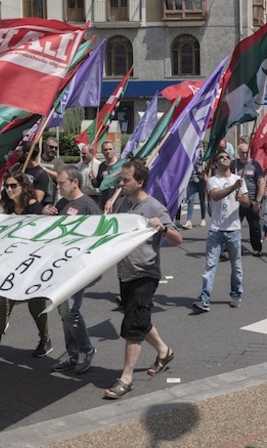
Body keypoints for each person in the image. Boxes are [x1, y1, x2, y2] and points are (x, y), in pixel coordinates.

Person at [104, 159, 182, 399]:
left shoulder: (154, 207)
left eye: (126, 180)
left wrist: (162, 228)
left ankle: (126, 378)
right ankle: (164, 351)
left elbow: (178, 238)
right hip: (125, 274)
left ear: (140, 182)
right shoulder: (122, 205)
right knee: (139, 318)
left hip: (145, 274)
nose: (121, 183)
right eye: (121, 179)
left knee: (133, 324)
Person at [0, 172, 53, 364]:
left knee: (35, 306)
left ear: (23, 187)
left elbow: (45, 231)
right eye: (7, 186)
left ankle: (45, 339)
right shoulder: (8, 208)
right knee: (3, 306)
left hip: (33, 266)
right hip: (13, 265)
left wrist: (25, 220)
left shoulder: (33, 207)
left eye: (14, 186)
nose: (9, 189)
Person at [43, 166, 99, 374]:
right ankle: (72, 353)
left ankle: (87, 350)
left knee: (72, 310)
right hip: (61, 266)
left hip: (79, 267)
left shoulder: (88, 205)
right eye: (58, 183)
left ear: (75, 182)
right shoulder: (62, 203)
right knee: (63, 311)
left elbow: (100, 236)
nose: (58, 187)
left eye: (62, 183)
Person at [192, 149, 249, 312]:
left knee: (236, 265)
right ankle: (204, 298)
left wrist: (242, 198)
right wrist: (233, 188)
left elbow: (246, 200)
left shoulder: (238, 179)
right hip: (216, 230)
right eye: (221, 157)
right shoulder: (212, 180)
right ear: (216, 163)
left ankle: (236, 293)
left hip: (234, 229)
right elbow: (216, 195)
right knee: (210, 265)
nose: (225, 158)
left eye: (227, 157)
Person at [233, 143, 267, 257]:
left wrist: (258, 201)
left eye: (246, 152)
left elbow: (261, 182)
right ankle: (232, 248)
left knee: (255, 226)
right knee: (233, 227)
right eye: (242, 153)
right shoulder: (233, 165)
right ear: (238, 153)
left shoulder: (255, 165)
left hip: (251, 202)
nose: (245, 155)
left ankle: (257, 248)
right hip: (237, 202)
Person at [19, 141, 56, 205]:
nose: (17, 154)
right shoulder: (18, 169)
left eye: (19, 152)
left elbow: (37, 201)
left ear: (27, 155)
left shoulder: (41, 175)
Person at [181, 147, 207, 229]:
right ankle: (189, 220)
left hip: (201, 179)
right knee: (190, 199)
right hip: (191, 179)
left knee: (202, 200)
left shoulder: (203, 154)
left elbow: (208, 165)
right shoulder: (189, 153)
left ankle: (203, 218)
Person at [93, 140, 119, 210]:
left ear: (114, 150)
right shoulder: (101, 166)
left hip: (118, 199)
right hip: (104, 199)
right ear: (102, 152)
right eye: (105, 150)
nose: (108, 152)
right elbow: (98, 185)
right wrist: (93, 179)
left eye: (110, 149)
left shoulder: (120, 164)